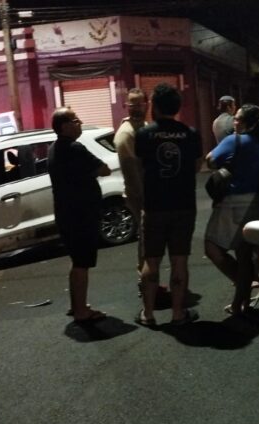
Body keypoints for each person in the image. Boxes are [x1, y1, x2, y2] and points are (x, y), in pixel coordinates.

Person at [134, 83, 202, 327]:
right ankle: (177, 314)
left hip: (154, 206)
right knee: (179, 260)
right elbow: (196, 167)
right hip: (184, 205)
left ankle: (148, 314)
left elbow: (141, 168)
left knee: (151, 261)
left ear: (155, 106)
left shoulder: (143, 135)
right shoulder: (191, 134)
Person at [205, 104, 259, 315]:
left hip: (235, 203)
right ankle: (240, 303)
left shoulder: (234, 141)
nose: (234, 122)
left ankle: (244, 285)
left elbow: (210, 160)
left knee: (213, 248)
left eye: (238, 119)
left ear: (250, 123)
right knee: (244, 253)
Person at [47, 107, 112, 323]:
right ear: (65, 126)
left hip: (66, 213)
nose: (80, 123)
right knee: (82, 262)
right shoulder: (75, 148)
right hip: (81, 215)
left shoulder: (54, 148)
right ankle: (81, 311)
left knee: (77, 261)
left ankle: (77, 305)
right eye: (76, 120)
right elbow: (104, 169)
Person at [113, 88, 148, 289]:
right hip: (139, 195)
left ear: (146, 103)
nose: (136, 108)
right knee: (145, 240)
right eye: (132, 104)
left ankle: (148, 279)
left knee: (148, 239)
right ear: (126, 106)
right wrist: (144, 199)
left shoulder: (142, 126)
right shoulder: (126, 134)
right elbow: (131, 172)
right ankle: (145, 281)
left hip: (145, 192)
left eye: (139, 103)